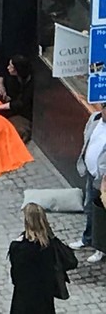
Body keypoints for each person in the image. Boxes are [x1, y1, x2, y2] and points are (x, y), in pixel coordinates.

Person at [9, 203, 75, 313]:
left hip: (24, 296)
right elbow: (69, 260)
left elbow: (15, 274)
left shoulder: (18, 247)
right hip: (45, 295)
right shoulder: (50, 244)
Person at [69, 101, 106, 263]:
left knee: (101, 214)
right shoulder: (95, 119)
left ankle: (101, 248)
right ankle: (88, 238)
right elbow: (87, 136)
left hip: (103, 180)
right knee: (89, 207)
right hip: (91, 174)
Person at [0, 55, 34, 143]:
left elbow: (21, 103)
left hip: (24, 112)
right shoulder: (12, 78)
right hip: (12, 106)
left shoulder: (31, 84)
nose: (8, 68)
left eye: (11, 66)